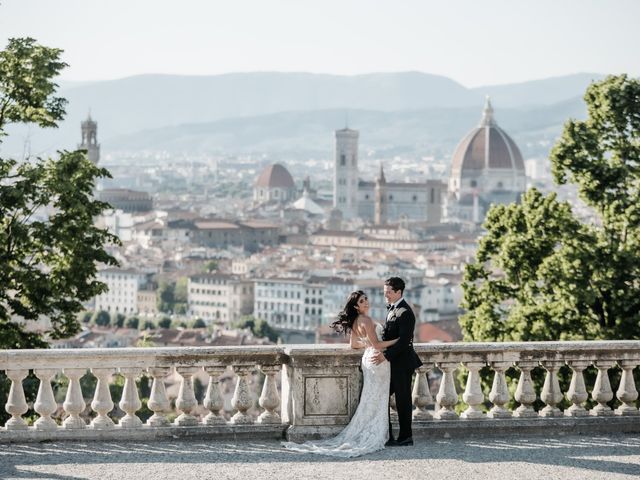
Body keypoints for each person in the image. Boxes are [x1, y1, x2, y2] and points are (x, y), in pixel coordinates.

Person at [282, 290, 399, 457]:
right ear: (356, 306)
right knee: (377, 398)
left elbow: (353, 345)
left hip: (368, 359)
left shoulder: (357, 320)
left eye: (366, 299)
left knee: (370, 397)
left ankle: (371, 429)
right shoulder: (365, 320)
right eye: (361, 301)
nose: (366, 302)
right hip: (377, 361)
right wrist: (398, 341)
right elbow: (378, 344)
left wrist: (367, 344)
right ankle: (375, 433)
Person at [372, 277, 423, 447]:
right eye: (384, 291)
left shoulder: (405, 312)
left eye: (388, 292)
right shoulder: (393, 309)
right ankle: (388, 434)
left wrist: (385, 356)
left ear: (398, 292)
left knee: (403, 401)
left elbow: (403, 341)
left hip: (402, 363)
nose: (385, 295)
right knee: (383, 396)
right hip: (395, 363)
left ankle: (405, 437)